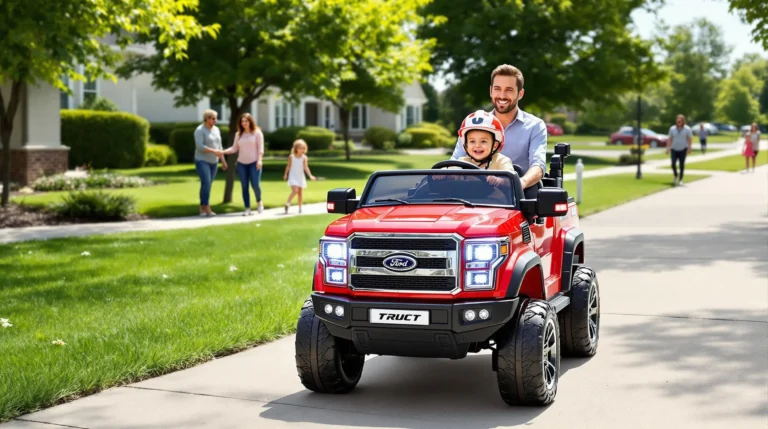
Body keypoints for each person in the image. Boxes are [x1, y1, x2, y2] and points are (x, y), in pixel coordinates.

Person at [450, 64, 547, 190]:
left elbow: (538, 165)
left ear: (520, 93)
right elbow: (456, 161)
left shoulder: (535, 126)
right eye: (497, 89)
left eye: (509, 90)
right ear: (491, 91)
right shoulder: (473, 124)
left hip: (518, 196)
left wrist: (520, 183)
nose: (502, 95)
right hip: (472, 193)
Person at [217, 113, 265, 216]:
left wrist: (259, 160)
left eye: (246, 121)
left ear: (250, 121)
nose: (244, 123)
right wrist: (223, 152)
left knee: (255, 184)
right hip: (242, 163)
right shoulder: (238, 135)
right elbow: (234, 148)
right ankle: (247, 208)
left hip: (254, 162)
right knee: (244, 186)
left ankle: (259, 201)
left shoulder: (257, 133)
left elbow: (260, 149)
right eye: (242, 121)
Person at [194, 109, 227, 217]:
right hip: (202, 160)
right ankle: (207, 207)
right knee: (207, 182)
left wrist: (223, 161)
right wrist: (214, 151)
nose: (215, 120)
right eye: (213, 118)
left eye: (216, 118)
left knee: (207, 184)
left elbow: (219, 146)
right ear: (206, 119)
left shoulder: (216, 130)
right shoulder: (200, 130)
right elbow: (200, 147)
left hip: (214, 162)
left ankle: (202, 208)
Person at [283, 139, 316, 214]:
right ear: (296, 149)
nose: (302, 150)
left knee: (300, 193)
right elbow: (288, 166)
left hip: (300, 176)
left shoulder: (304, 158)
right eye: (300, 148)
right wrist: (285, 174)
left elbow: (306, 167)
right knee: (295, 190)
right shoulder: (291, 157)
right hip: (293, 176)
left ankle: (300, 207)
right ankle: (288, 203)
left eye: (303, 148)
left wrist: (310, 176)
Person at [667, 114, 692, 186]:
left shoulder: (687, 129)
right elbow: (670, 139)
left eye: (680, 120)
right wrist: (668, 148)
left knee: (681, 165)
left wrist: (689, 147)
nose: (679, 121)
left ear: (683, 121)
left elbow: (690, 139)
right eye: (677, 119)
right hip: (674, 149)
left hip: (683, 149)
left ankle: (680, 180)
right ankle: (675, 175)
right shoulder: (672, 129)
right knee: (673, 164)